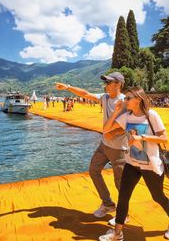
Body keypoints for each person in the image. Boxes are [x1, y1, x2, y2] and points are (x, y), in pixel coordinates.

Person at [56, 72, 128, 223]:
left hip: (119, 148)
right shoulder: (105, 97)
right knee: (94, 170)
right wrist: (68, 87)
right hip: (104, 145)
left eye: (109, 82)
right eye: (106, 82)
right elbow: (86, 94)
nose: (105, 85)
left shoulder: (124, 101)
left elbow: (127, 125)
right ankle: (107, 203)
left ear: (118, 84)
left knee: (120, 182)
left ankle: (123, 214)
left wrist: (111, 133)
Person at [99, 86, 169, 241]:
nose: (125, 100)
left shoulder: (151, 115)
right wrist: (117, 111)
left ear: (138, 99)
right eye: (125, 98)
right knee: (123, 196)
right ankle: (117, 234)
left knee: (158, 197)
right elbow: (106, 129)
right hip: (131, 163)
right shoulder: (127, 116)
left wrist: (142, 137)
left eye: (128, 98)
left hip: (150, 165)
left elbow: (164, 138)